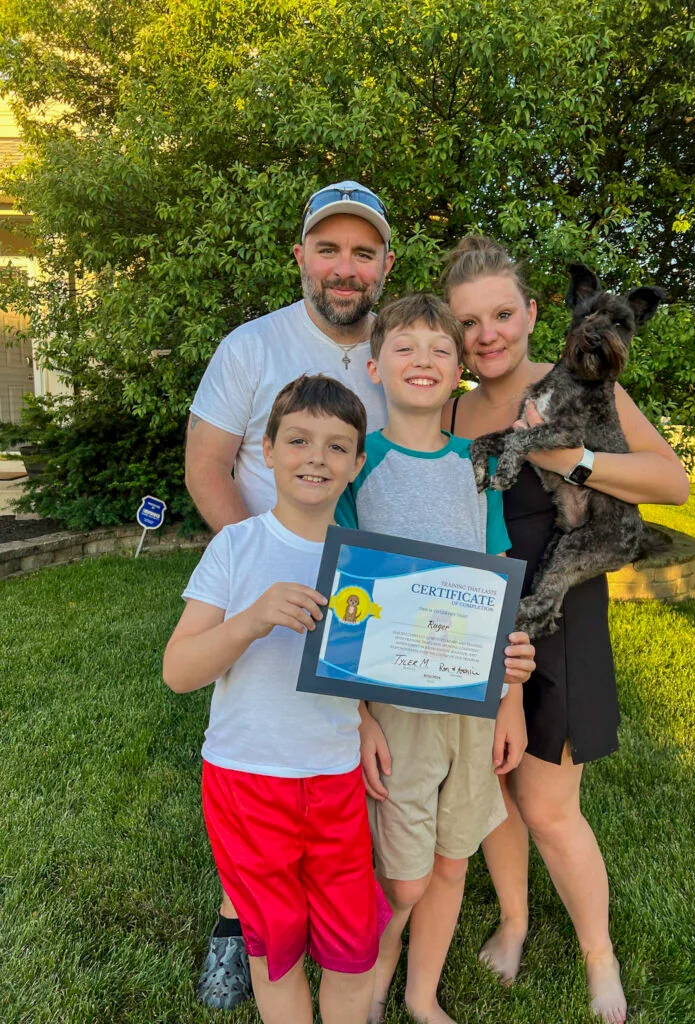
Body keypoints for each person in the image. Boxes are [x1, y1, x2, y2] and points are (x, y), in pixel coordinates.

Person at [440, 236, 690, 1024]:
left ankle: (599, 959)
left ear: (534, 314)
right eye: (470, 320)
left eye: (502, 314)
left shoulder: (575, 385)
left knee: (548, 805)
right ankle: (513, 922)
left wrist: (573, 458)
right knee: (494, 797)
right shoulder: (448, 406)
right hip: (477, 615)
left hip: (558, 610)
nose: (488, 334)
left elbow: (671, 481)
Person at [185, 181, 395, 1008]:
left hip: (359, 601)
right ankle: (238, 924)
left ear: (383, 265)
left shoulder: (404, 350)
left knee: (326, 775)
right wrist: (260, 564)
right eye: (330, 249)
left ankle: (338, 931)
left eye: (363, 252)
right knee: (250, 768)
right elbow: (208, 465)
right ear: (302, 256)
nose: (346, 269)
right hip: (265, 589)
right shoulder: (251, 346)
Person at [164, 375, 392, 1024]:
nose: (316, 457)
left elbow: (375, 664)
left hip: (335, 777)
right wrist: (252, 619)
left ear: (356, 464)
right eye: (298, 440)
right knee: (276, 952)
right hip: (246, 781)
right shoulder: (235, 547)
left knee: (352, 951)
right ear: (266, 450)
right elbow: (179, 671)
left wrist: (369, 717)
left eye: (336, 446)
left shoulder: (367, 563)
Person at [335, 293, 537, 1024]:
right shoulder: (359, 467)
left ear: (459, 371)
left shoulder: (475, 468)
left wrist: (510, 700)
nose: (423, 360)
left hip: (474, 704)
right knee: (405, 879)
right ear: (374, 365)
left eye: (439, 350)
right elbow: (344, 600)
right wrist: (360, 717)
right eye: (405, 347)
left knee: (453, 861)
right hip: (396, 711)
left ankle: (421, 996)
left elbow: (498, 579)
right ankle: (370, 989)